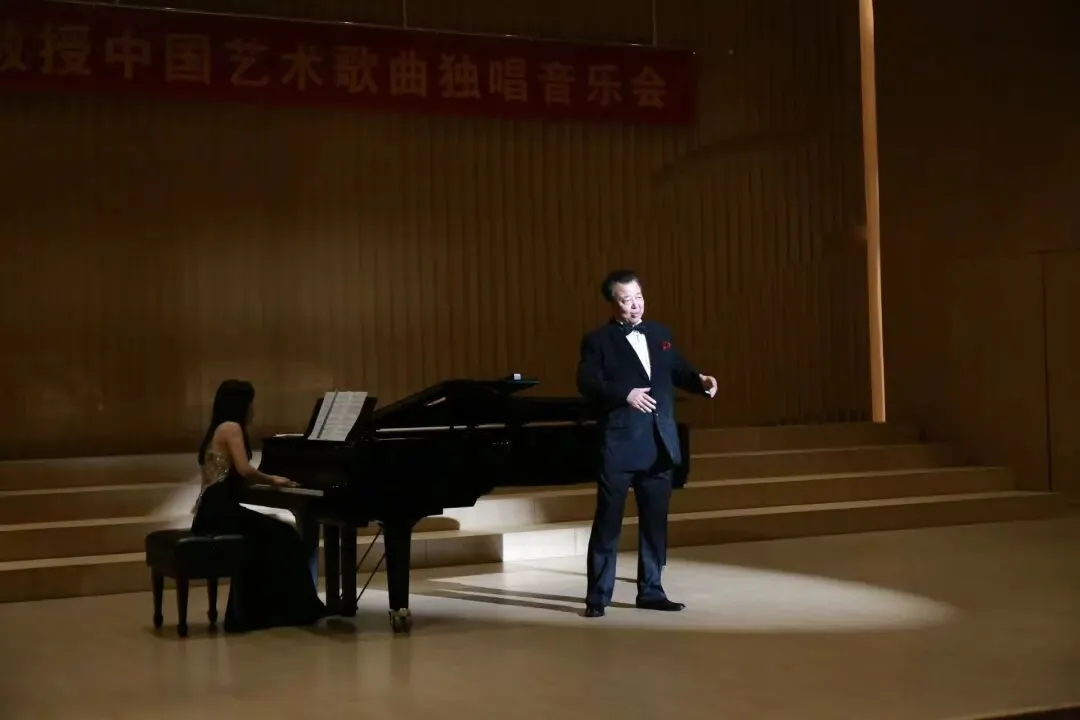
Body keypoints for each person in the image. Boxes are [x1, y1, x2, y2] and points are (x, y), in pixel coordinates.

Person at [576, 270, 718, 618]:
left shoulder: (660, 334)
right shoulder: (598, 340)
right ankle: (598, 596)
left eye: (638, 297)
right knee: (608, 522)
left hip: (659, 443)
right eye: (626, 300)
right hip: (620, 445)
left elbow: (677, 368)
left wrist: (700, 380)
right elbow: (587, 382)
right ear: (613, 303)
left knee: (655, 523)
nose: (635, 305)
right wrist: (625, 394)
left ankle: (652, 591)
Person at [191, 379, 327, 632]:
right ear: (241, 405)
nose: (253, 410)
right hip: (221, 511)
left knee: (274, 535)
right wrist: (273, 480)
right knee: (285, 535)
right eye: (250, 403)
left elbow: (223, 478)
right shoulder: (232, 428)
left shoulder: (216, 429)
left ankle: (260, 612)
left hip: (211, 511)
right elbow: (245, 470)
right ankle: (291, 610)